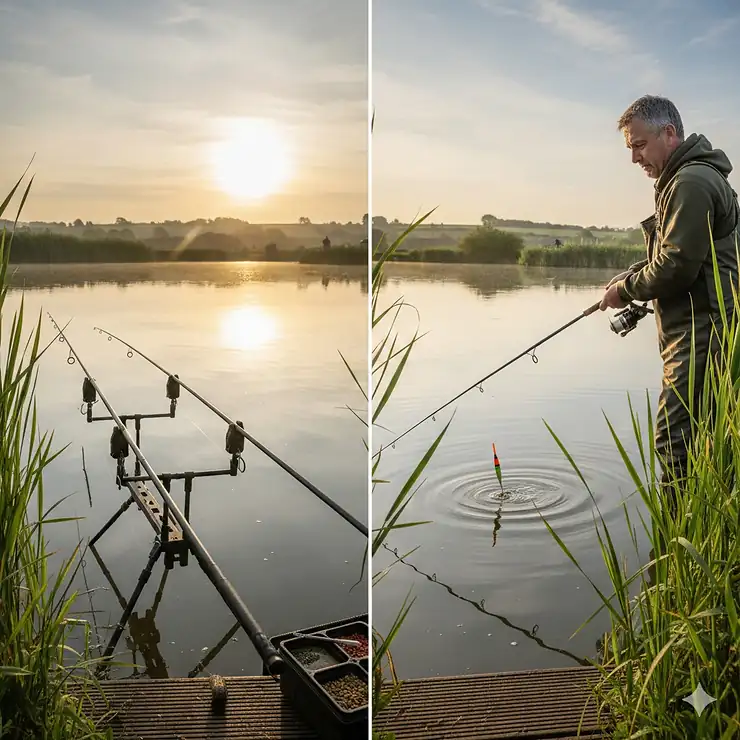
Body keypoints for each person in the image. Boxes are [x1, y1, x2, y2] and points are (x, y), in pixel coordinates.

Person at [600, 95, 739, 498]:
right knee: (705, 443)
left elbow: (677, 267)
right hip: (705, 333)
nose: (634, 159)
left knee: (675, 445)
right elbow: (679, 255)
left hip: (701, 336)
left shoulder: (691, 182)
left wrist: (624, 290)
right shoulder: (690, 179)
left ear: (669, 133)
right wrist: (631, 274)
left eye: (639, 146)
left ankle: (678, 545)